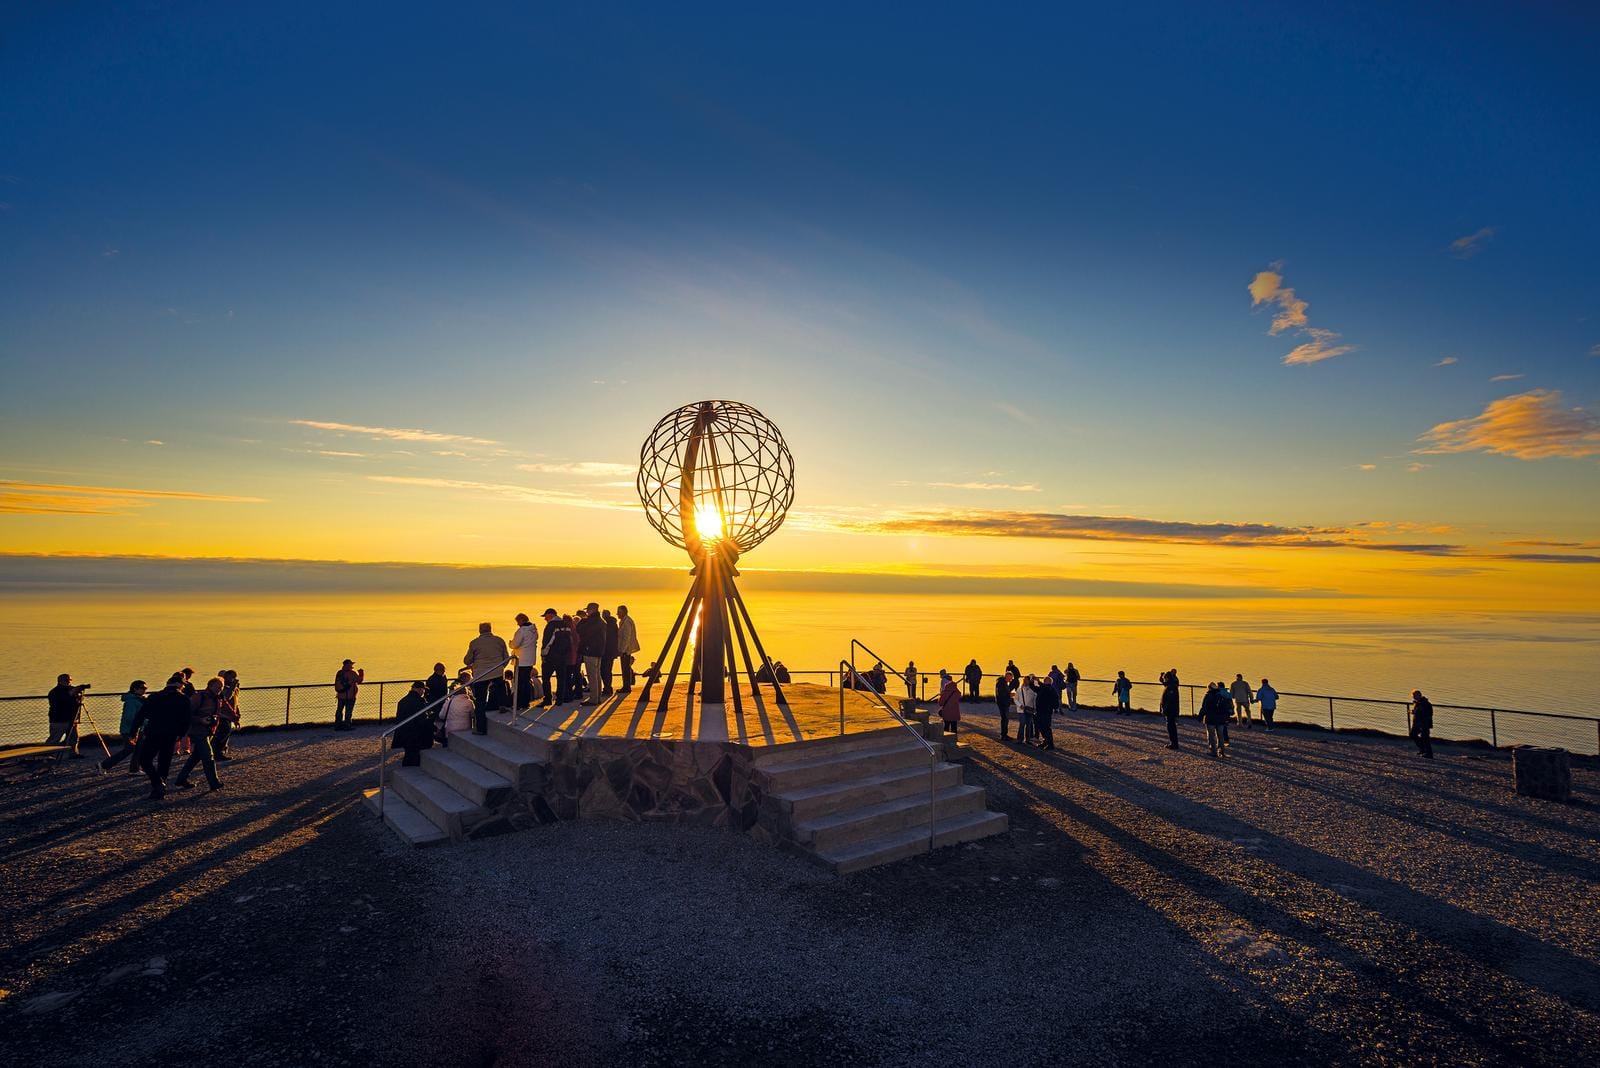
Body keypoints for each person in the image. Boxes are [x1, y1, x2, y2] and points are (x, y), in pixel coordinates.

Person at [138, 673, 191, 800]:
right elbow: (186, 719)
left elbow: (141, 714)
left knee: (145, 760)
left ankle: (157, 784)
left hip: (153, 732)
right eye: (183, 685)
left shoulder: (154, 696)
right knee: (164, 760)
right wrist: (181, 733)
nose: (183, 687)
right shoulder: (183, 699)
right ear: (179, 685)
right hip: (171, 734)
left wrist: (133, 731)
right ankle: (160, 784)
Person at [173, 675, 225, 791]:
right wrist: (200, 720)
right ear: (210, 685)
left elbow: (218, 713)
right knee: (208, 756)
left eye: (221, 687)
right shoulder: (199, 697)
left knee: (196, 757)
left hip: (208, 731)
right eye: (218, 686)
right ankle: (214, 783)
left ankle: (181, 779)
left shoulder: (217, 698)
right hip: (197, 731)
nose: (220, 689)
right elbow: (186, 714)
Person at [101, 680, 148, 773]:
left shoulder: (140, 700)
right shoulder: (131, 702)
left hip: (138, 729)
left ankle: (134, 769)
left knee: (138, 749)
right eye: (142, 688)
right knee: (130, 749)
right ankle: (104, 764)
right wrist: (143, 722)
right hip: (129, 729)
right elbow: (129, 717)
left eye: (145, 688)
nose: (144, 690)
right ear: (135, 689)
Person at [465, 621, 509, 712]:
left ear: (480, 631)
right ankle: (502, 705)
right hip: (497, 671)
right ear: (490, 629)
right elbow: (506, 658)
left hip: (481, 674)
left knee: (480, 700)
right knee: (500, 687)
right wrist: (501, 667)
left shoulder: (475, 643)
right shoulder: (499, 640)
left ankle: (481, 723)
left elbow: (467, 660)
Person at [392, 681, 434, 767]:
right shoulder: (419, 702)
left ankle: (407, 768)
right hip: (415, 733)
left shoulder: (403, 701)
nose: (424, 692)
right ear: (420, 689)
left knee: (409, 753)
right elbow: (422, 720)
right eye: (423, 690)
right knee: (414, 754)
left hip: (403, 731)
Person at [46, 673, 86, 756]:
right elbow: (61, 701)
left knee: (74, 738)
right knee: (54, 739)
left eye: (70, 680)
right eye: (67, 680)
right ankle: (47, 754)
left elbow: (77, 701)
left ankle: (73, 753)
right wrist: (71, 694)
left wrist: (79, 695)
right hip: (59, 720)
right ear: (60, 681)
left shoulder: (72, 690)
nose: (69, 682)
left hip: (72, 719)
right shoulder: (55, 692)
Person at [509, 613, 540, 712]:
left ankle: (518, 704)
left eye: (518, 622)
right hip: (530, 659)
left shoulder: (522, 631)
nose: (517, 624)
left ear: (521, 620)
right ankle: (525, 702)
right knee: (526, 682)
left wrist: (510, 643)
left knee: (518, 683)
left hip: (521, 660)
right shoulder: (534, 630)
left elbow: (515, 644)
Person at [538, 609, 568, 706]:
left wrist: (543, 654)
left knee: (546, 678)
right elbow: (569, 640)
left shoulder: (551, 626)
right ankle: (560, 699)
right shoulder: (565, 624)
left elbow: (547, 642)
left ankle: (547, 699)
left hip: (551, 656)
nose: (545, 619)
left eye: (545, 616)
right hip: (563, 656)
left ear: (550, 615)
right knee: (561, 678)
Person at [577, 602, 606, 705]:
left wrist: (583, 620)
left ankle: (594, 699)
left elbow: (581, 630)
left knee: (592, 675)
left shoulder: (592, 621)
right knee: (596, 675)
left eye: (588, 610)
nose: (587, 612)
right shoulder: (601, 621)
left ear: (592, 609)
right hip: (598, 651)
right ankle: (597, 697)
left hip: (591, 651)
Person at [437, 672, 475, 747]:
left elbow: (441, 716)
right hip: (465, 730)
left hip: (450, 730)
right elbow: (473, 714)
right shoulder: (469, 702)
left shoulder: (448, 702)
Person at [213, 669, 240, 759]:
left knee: (225, 732)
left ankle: (219, 751)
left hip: (229, 714)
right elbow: (226, 698)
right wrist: (233, 687)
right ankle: (217, 752)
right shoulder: (223, 689)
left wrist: (236, 714)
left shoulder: (233, 689)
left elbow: (235, 702)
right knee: (222, 733)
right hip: (222, 714)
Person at [1201, 682, 1229, 759]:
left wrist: (1200, 717)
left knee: (1211, 736)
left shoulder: (1208, 696)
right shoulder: (1221, 696)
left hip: (1210, 719)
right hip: (1220, 719)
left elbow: (1204, 707)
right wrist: (1225, 718)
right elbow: (1225, 708)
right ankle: (1222, 751)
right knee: (1220, 736)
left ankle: (1213, 751)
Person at [333, 659, 363, 731]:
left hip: (340, 696)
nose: (352, 665)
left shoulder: (339, 672)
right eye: (351, 664)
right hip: (350, 696)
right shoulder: (352, 673)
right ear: (347, 665)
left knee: (339, 711)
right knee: (348, 711)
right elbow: (359, 681)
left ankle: (338, 725)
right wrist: (361, 673)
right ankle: (347, 725)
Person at [617, 605, 640, 692]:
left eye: (619, 612)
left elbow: (626, 637)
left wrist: (622, 650)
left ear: (623, 612)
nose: (617, 614)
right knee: (625, 668)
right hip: (625, 649)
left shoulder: (627, 622)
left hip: (626, 650)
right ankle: (626, 686)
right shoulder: (624, 621)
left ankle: (626, 687)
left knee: (625, 668)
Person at [1034, 673, 1059, 751]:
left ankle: (1050, 744)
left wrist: (1039, 682)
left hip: (1046, 712)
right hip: (1040, 711)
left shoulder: (1051, 689)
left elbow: (1055, 701)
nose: (1046, 682)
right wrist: (1032, 682)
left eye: (1047, 681)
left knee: (1046, 727)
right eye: (1045, 681)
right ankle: (1046, 741)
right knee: (1040, 726)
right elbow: (1034, 688)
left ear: (1050, 682)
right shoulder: (1042, 688)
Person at [935, 670, 962, 736]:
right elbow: (959, 697)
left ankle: (947, 739)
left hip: (947, 713)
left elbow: (940, 703)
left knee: (946, 727)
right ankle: (954, 739)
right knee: (954, 727)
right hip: (955, 713)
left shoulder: (945, 692)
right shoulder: (957, 693)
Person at [1409, 689, 1434, 758]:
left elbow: (1429, 714)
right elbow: (1418, 712)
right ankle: (1422, 749)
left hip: (1423, 724)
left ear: (1420, 695)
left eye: (1415, 695)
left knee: (1425, 738)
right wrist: (1414, 712)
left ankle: (1429, 754)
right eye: (1413, 696)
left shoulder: (1425, 704)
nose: (1414, 697)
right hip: (1417, 723)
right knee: (1412, 735)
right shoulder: (1417, 703)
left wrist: (1423, 723)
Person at [601, 608, 620, 696]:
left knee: (604, 670)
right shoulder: (614, 624)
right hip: (612, 651)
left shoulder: (605, 625)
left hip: (606, 651)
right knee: (608, 670)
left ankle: (607, 688)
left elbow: (604, 638)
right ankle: (608, 687)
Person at [1160, 673, 1181, 749]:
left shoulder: (1171, 687)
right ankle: (1173, 743)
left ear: (1167, 678)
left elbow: (1169, 701)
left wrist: (1164, 709)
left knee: (1171, 727)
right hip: (1171, 710)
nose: (1164, 680)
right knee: (1171, 727)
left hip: (1170, 711)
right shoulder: (1170, 685)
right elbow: (1163, 682)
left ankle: (1174, 744)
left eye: (1164, 678)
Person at [1018, 674, 1039, 744]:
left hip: (1030, 709)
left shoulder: (1032, 690)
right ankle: (1020, 739)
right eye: (1024, 680)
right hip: (1022, 709)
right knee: (1022, 724)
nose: (1025, 681)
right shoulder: (1020, 689)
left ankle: (1028, 739)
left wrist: (1035, 708)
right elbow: (1016, 699)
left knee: (1028, 724)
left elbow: (1035, 699)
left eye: (1026, 680)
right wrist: (1020, 705)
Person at [996, 670, 1016, 739]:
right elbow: (1002, 694)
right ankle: (1004, 735)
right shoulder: (1002, 683)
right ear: (1007, 676)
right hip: (1003, 703)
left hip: (1003, 703)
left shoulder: (1002, 683)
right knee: (1005, 719)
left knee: (1005, 719)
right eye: (1010, 678)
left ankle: (1004, 734)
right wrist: (1010, 695)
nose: (1011, 680)